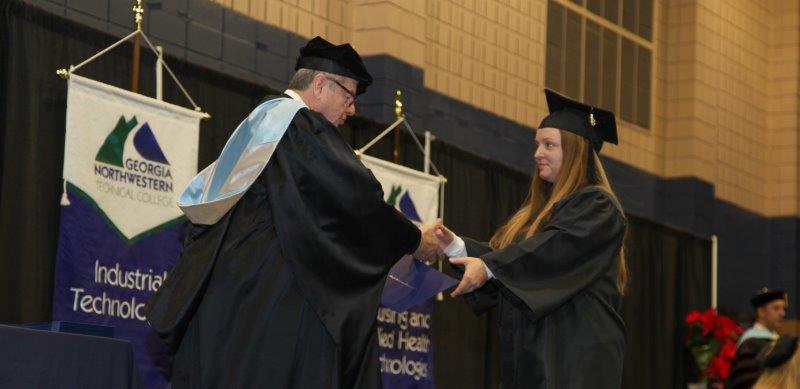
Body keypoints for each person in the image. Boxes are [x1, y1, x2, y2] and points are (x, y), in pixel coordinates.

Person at [146, 36, 440, 388]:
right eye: (348, 96)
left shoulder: (262, 122)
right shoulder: (298, 126)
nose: (352, 110)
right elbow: (355, 200)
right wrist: (413, 240)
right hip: (268, 301)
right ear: (320, 84)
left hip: (228, 302)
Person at [434, 89, 628, 388]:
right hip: (535, 358)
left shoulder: (599, 207)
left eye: (549, 145)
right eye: (537, 144)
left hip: (575, 362)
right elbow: (517, 259)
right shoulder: (538, 215)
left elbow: (551, 253)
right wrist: (456, 246)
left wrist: (488, 267)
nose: (537, 153)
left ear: (575, 151)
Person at [728, 288, 788, 388]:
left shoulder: (775, 340)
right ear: (761, 312)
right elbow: (746, 381)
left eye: (783, 308)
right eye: (776, 308)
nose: (783, 313)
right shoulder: (750, 343)